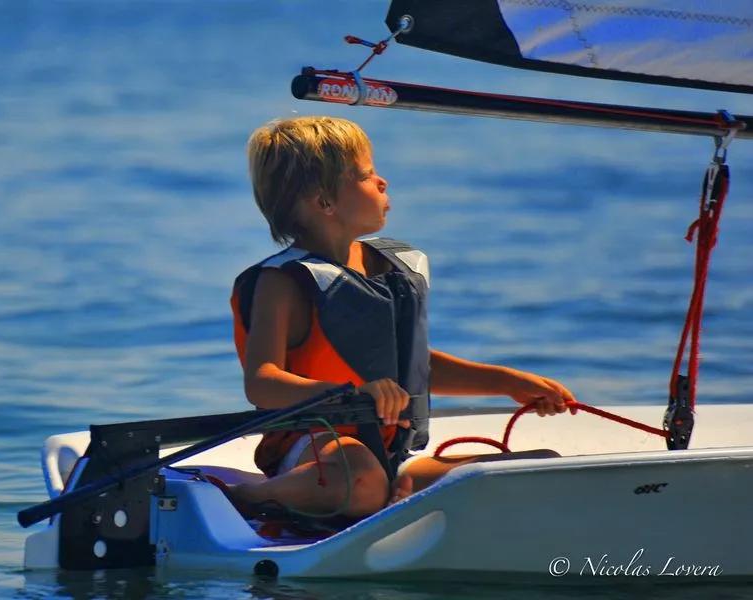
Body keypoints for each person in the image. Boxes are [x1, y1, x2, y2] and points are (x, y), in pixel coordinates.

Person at [226, 116, 573, 519]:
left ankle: (396, 493)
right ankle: (246, 497)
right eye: (365, 175)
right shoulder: (283, 282)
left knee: (538, 468)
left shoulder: (387, 268)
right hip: (317, 447)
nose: (382, 182)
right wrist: (351, 395)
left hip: (393, 450)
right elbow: (262, 382)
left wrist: (506, 382)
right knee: (360, 480)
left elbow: (413, 366)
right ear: (324, 203)